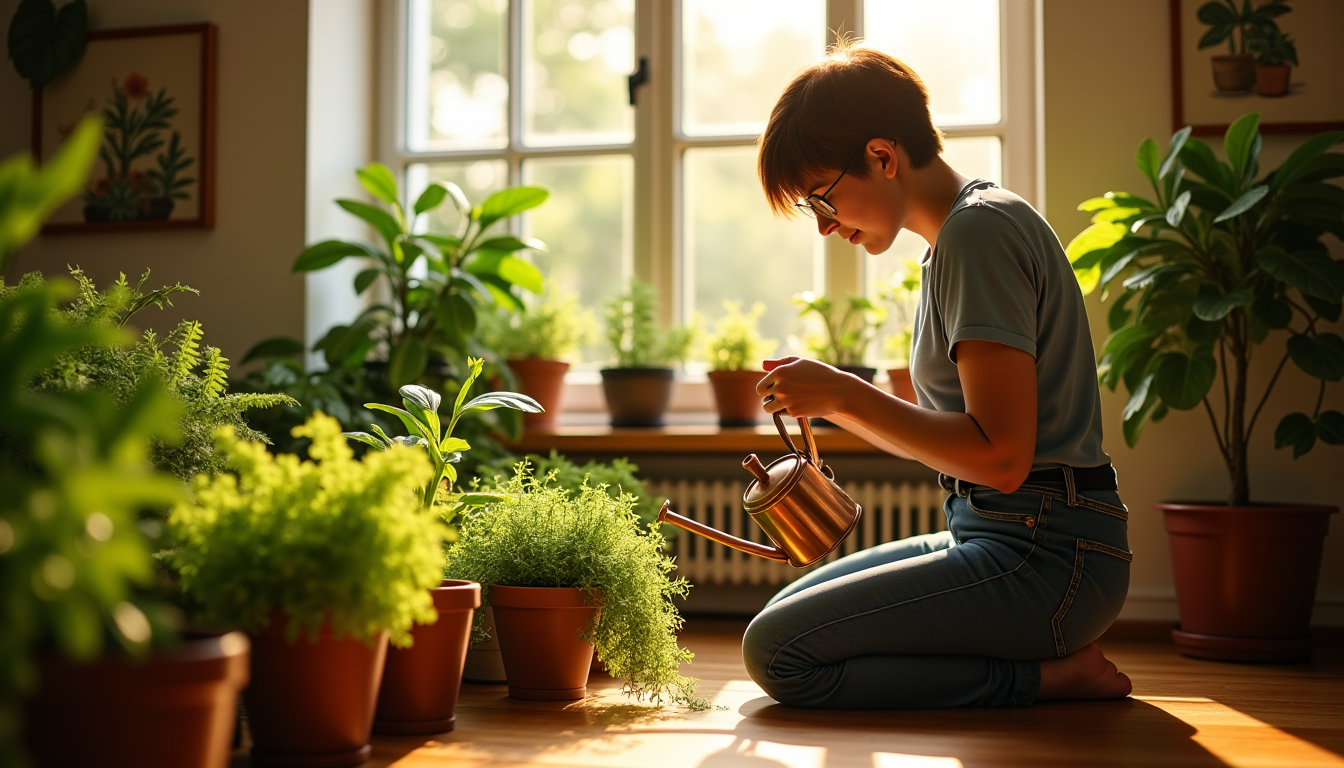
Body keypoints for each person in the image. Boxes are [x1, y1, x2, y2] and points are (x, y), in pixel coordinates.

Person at [743, 39, 1133, 709]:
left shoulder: (978, 234)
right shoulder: (956, 239)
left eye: (823, 201)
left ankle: (1043, 677)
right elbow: (960, 447)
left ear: (882, 156)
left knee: (778, 653)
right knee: (785, 613)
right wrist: (837, 404)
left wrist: (846, 392)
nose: (825, 228)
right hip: (998, 532)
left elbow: (1002, 459)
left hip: (1048, 557)